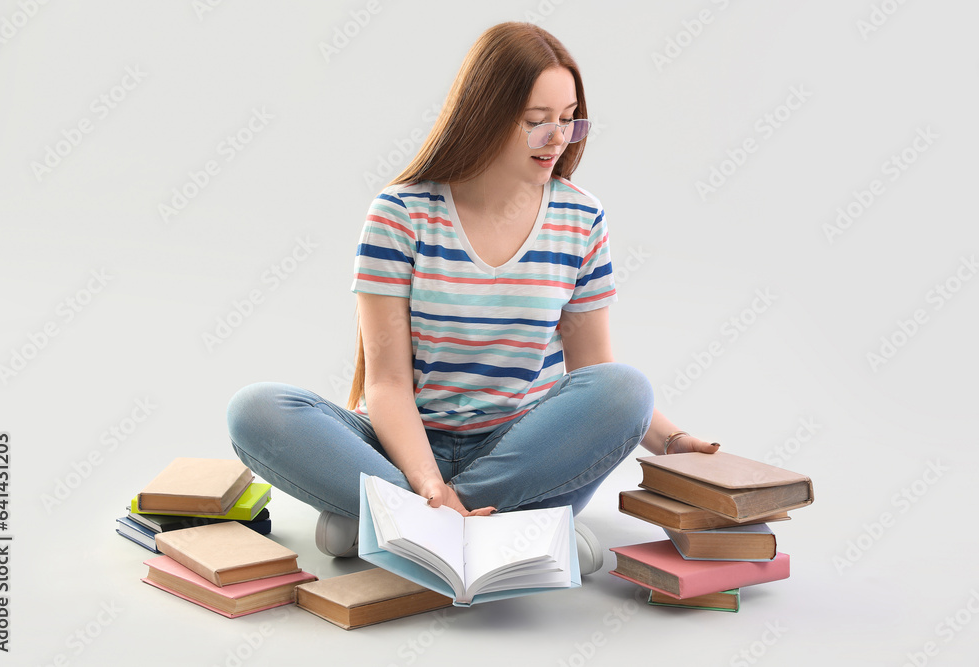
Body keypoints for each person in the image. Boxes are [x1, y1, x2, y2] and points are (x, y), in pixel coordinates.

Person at [226, 21, 718, 576]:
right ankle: (495, 527)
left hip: (523, 451)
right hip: (404, 443)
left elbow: (596, 373)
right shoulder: (401, 214)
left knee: (626, 387)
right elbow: (386, 383)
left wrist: (671, 440)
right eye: (537, 123)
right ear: (485, 115)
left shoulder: (581, 217)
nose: (557, 138)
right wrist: (427, 483)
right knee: (256, 409)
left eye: (568, 120)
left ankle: (392, 523)